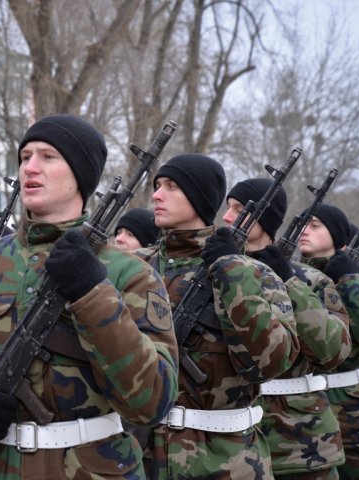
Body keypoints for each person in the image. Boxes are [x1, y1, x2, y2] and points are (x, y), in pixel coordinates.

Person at [0, 114, 178, 479]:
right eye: (25, 157)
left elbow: (153, 402)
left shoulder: (130, 273)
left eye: (48, 156)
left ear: (81, 174)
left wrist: (92, 293)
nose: (30, 168)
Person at [137, 155, 300, 479]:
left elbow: (273, 362)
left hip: (224, 461)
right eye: (156, 186)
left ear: (199, 197)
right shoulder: (130, 267)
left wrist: (230, 271)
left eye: (171, 187)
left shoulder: (253, 273)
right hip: (137, 457)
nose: (157, 195)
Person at [223, 178, 351, 479]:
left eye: (240, 209)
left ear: (265, 218)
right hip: (235, 446)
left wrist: (290, 281)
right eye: (227, 208)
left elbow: (334, 350)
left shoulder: (311, 279)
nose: (228, 217)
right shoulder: (217, 271)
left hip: (299, 440)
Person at [298, 203, 359, 479]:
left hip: (356, 415)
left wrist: (350, 281)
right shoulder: (294, 279)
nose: (305, 231)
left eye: (315, 226)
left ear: (337, 235)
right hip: (307, 415)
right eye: (304, 224)